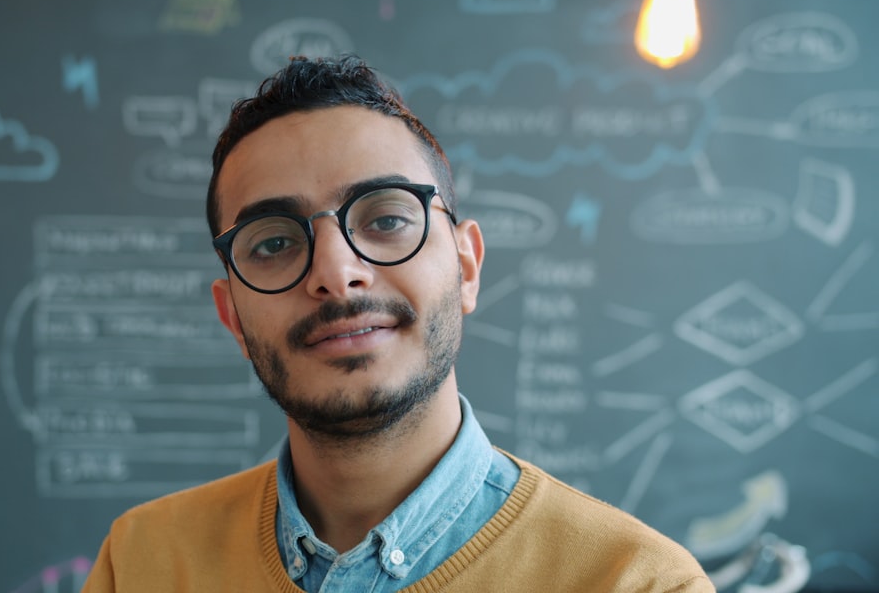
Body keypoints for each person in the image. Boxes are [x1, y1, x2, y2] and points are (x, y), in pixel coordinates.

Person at [81, 55, 714, 592]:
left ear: (466, 268)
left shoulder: (638, 582)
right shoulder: (139, 563)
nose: (335, 273)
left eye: (385, 220)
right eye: (273, 243)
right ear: (233, 319)